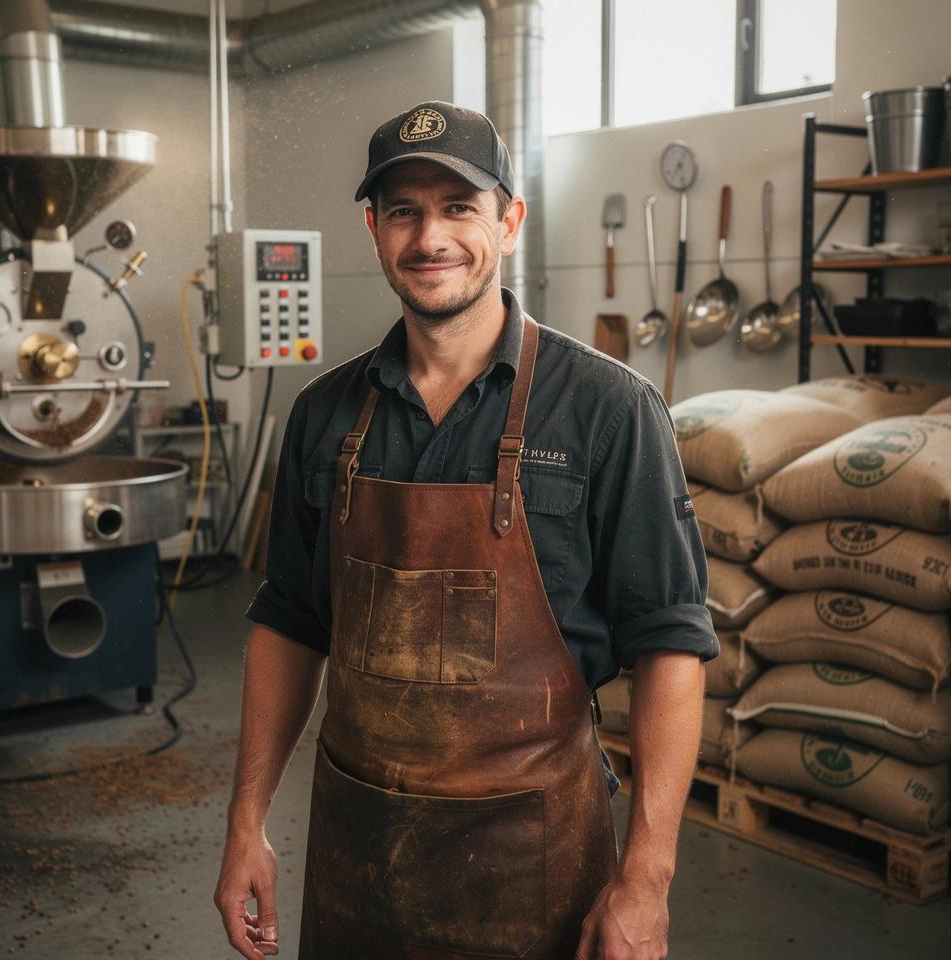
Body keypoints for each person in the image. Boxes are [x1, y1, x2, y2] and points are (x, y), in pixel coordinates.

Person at [214, 100, 719, 960]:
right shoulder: (323, 414)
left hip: (536, 858)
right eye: (404, 210)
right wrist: (245, 822)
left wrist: (646, 879)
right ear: (374, 230)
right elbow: (291, 622)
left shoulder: (610, 411)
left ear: (509, 222)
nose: (430, 237)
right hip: (357, 853)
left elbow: (668, 644)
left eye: (459, 207)